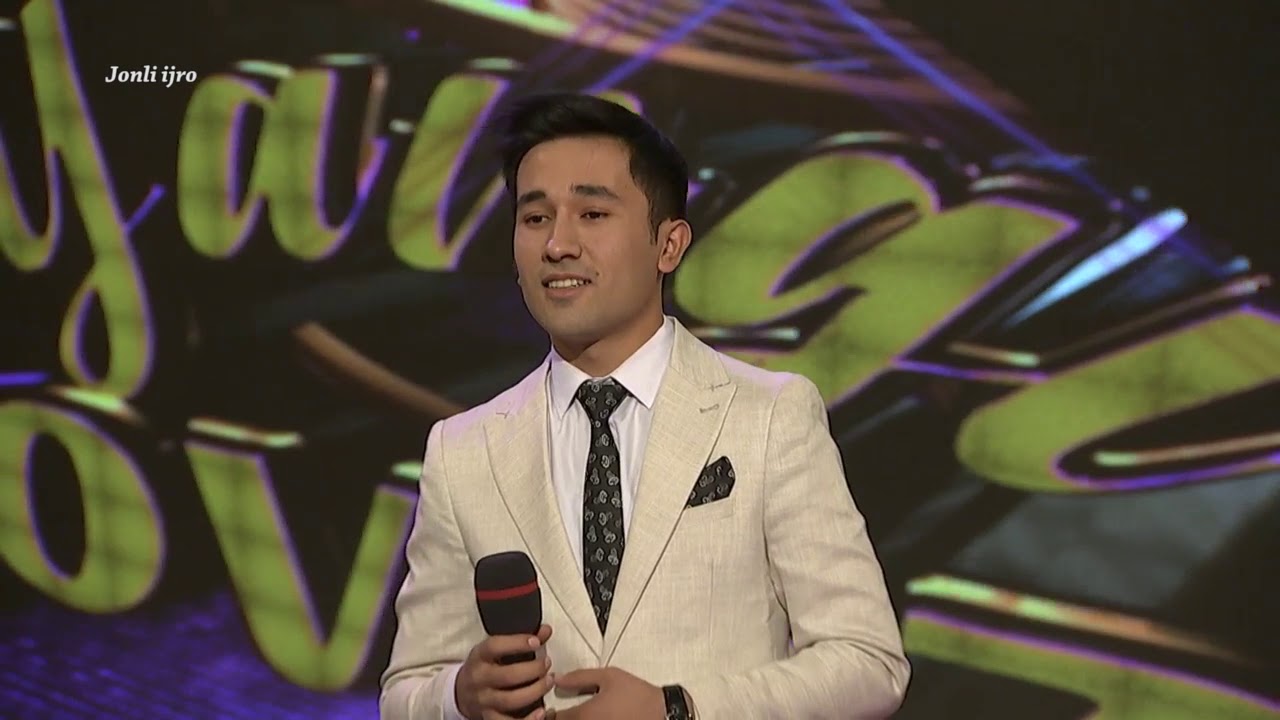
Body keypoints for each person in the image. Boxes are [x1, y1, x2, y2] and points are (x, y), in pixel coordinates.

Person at [380, 91, 910, 720]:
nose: (558, 244)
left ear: (669, 244)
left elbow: (867, 662)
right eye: (535, 217)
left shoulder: (770, 416)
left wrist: (676, 709)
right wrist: (458, 697)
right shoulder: (463, 450)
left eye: (592, 214)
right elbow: (405, 690)